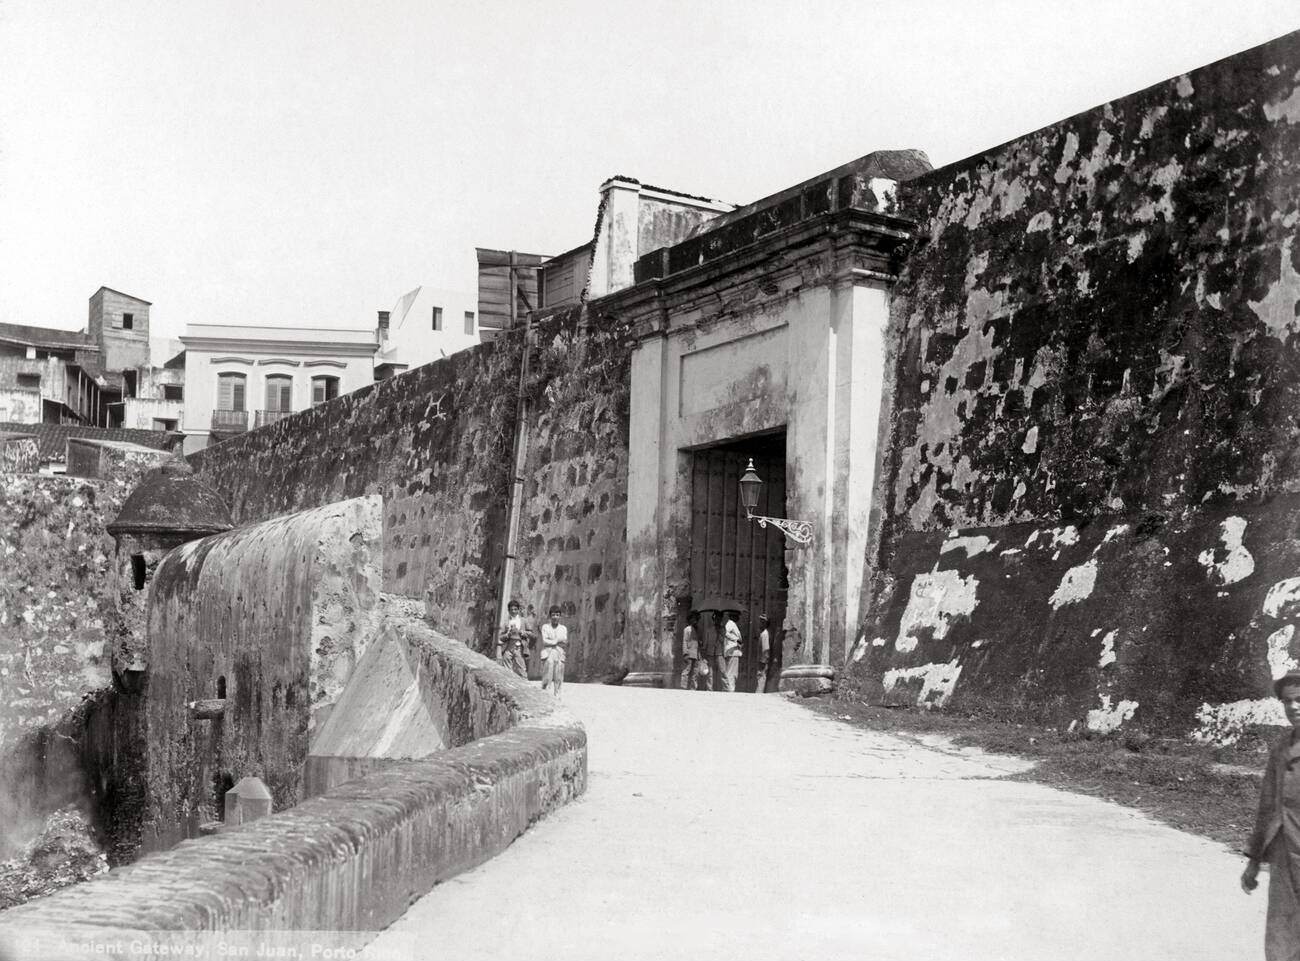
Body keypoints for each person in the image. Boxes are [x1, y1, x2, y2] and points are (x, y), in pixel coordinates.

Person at [1242, 670, 1300, 960]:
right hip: (1284, 857)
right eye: (1287, 701)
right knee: (1282, 941)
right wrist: (1253, 861)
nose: (1294, 707)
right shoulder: (1280, 750)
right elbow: (1267, 808)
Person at [496, 599, 533, 678]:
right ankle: (508, 685)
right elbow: (500, 636)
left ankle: (525, 686)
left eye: (515, 609)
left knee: (521, 668)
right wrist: (507, 635)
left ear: (518, 610)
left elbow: (531, 633)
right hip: (508, 647)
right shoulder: (506, 622)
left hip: (519, 647)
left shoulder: (523, 621)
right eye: (511, 609)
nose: (513, 611)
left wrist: (523, 633)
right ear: (508, 611)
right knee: (506, 669)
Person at [539, 605, 568, 697]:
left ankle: (557, 697)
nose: (555, 617)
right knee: (547, 678)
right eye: (553, 615)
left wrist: (553, 641)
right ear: (550, 616)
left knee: (558, 678)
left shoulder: (563, 628)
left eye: (557, 615)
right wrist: (556, 641)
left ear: (560, 616)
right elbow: (544, 641)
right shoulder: (545, 627)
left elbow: (564, 641)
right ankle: (544, 697)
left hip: (559, 654)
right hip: (548, 654)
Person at [703, 612, 726, 692]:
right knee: (710, 673)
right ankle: (709, 689)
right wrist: (704, 652)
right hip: (710, 652)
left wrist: (719, 632)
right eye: (716, 619)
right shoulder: (709, 629)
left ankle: (725, 689)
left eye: (719, 619)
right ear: (714, 619)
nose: (718, 620)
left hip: (719, 653)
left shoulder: (723, 629)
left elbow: (723, 641)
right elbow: (705, 641)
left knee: (723, 671)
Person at [720, 609, 742, 693]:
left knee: (731, 671)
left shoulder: (732, 624)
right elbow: (725, 632)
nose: (738, 618)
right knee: (732, 672)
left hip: (733, 651)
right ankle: (730, 689)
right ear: (732, 616)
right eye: (736, 616)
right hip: (732, 651)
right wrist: (736, 640)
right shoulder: (730, 623)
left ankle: (728, 689)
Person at [680, 610, 703, 690]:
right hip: (689, 653)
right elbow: (685, 641)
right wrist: (685, 653)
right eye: (693, 619)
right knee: (687, 670)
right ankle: (683, 687)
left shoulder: (698, 630)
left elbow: (699, 643)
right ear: (690, 620)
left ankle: (693, 688)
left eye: (696, 619)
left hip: (696, 654)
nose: (695, 621)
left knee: (695, 672)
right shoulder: (687, 629)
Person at [754, 614, 771, 693]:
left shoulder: (765, 634)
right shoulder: (763, 633)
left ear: (765, 623)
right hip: (762, 659)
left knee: (761, 677)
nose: (759, 623)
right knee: (760, 677)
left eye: (761, 622)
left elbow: (766, 649)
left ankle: (759, 694)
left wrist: (763, 661)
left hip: (762, 660)